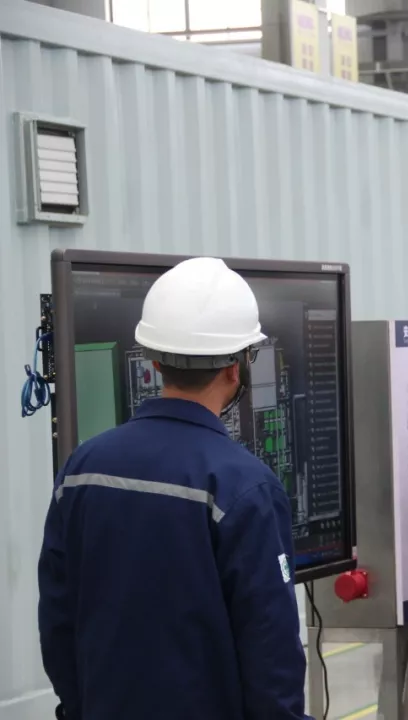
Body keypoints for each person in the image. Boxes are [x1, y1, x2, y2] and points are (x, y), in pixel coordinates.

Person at [37, 257, 311, 720]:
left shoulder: (82, 467)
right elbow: (271, 650)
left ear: (155, 360)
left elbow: (58, 618)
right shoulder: (245, 487)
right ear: (236, 367)